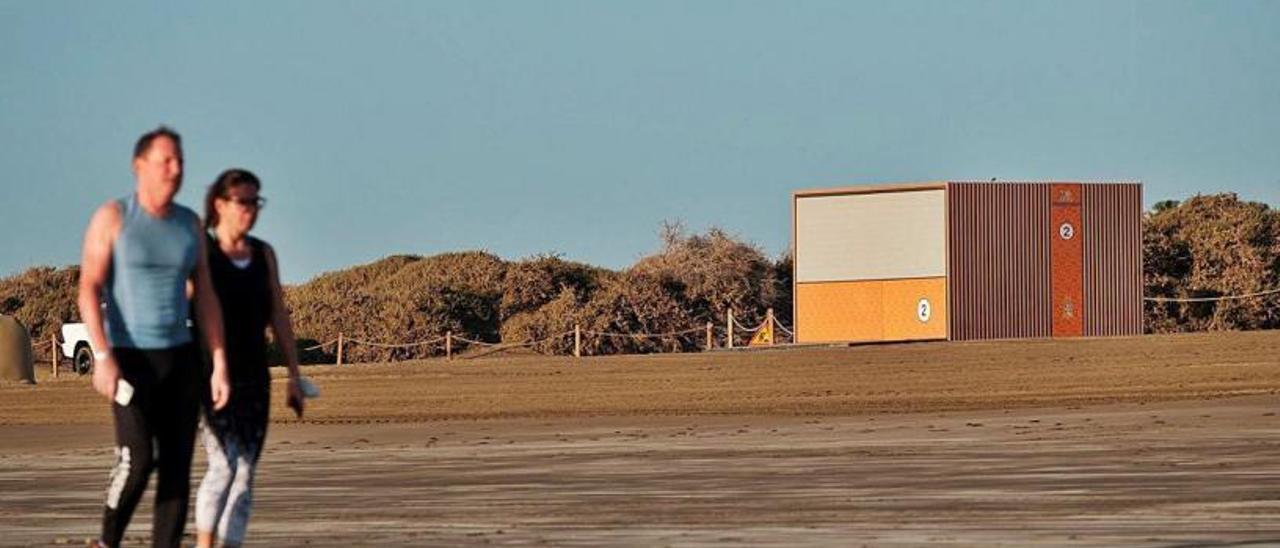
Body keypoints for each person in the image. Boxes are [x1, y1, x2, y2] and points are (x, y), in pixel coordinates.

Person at [79, 126, 231, 548]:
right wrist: (102, 355)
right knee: (139, 458)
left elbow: (206, 299)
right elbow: (88, 286)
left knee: (178, 467)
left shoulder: (189, 225)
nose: (176, 169)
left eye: (180, 160)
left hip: (179, 360)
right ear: (139, 166)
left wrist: (218, 362)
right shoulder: (114, 217)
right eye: (166, 160)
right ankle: (107, 541)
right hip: (129, 360)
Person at [194, 168, 306, 548]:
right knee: (223, 465)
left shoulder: (263, 253)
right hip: (211, 376)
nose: (251, 210)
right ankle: (205, 543)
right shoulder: (202, 255)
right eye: (243, 201)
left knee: (245, 472)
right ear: (220, 204)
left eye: (256, 202)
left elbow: (278, 313)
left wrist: (294, 373)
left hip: (255, 377)